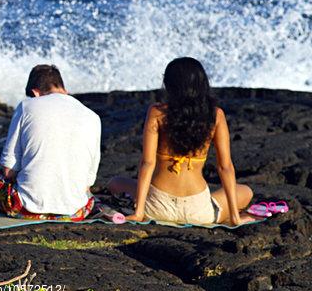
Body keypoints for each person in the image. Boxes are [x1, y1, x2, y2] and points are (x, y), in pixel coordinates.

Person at [107, 57, 255, 226]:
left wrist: (139, 212)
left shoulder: (157, 112)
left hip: (157, 207)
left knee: (115, 183)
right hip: (199, 211)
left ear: (169, 85)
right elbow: (225, 167)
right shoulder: (216, 115)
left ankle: (143, 209)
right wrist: (235, 218)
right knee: (245, 191)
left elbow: (147, 163)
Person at [0, 64, 101, 220]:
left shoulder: (27, 106)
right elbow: (87, 184)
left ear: (35, 93)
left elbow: (9, 171)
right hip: (77, 212)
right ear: (64, 89)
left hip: (25, 209)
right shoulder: (92, 116)